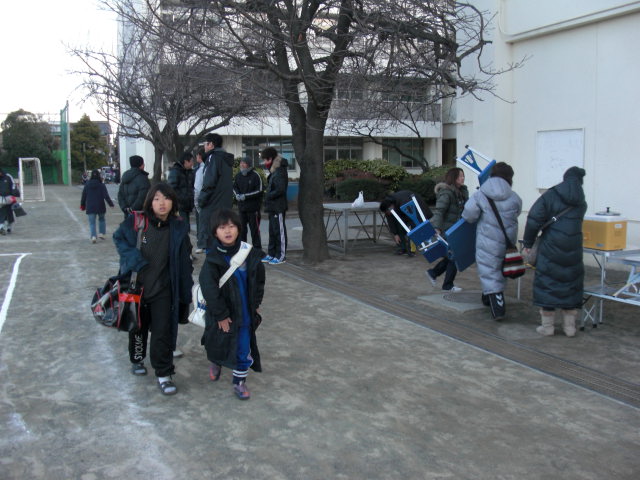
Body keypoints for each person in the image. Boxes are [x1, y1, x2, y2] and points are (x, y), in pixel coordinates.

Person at [113, 183, 193, 396]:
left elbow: (185, 258)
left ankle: (164, 374)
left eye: (166, 198)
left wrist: (186, 288)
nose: (162, 203)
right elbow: (119, 238)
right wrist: (134, 259)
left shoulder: (178, 227)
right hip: (137, 288)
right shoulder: (137, 222)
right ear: (150, 201)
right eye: (157, 198)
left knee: (162, 332)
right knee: (138, 328)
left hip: (163, 289)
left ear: (173, 202)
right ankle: (137, 359)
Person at [199, 209, 265, 400]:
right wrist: (220, 314)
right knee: (217, 343)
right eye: (222, 227)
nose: (227, 231)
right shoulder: (213, 258)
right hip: (221, 314)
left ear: (238, 228)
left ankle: (239, 382)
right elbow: (209, 288)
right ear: (215, 232)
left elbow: (259, 281)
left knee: (243, 348)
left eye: (231, 226)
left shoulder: (249, 253)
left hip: (244, 315)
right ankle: (216, 361)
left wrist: (256, 303)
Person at [522, 167, 587, 337]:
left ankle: (548, 327)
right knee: (570, 283)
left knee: (548, 283)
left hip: (551, 246)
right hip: (573, 247)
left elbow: (534, 219)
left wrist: (528, 242)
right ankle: (570, 328)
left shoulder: (550, 196)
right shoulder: (581, 201)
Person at [461, 162, 522, 321]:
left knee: (489, 269)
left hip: (487, 239)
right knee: (500, 268)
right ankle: (487, 297)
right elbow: (517, 211)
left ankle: (498, 306)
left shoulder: (480, 194)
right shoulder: (514, 196)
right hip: (508, 241)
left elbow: (469, 214)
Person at [426, 168, 469, 291]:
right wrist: (437, 228)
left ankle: (434, 273)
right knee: (454, 256)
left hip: (457, 229)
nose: (463, 178)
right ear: (453, 177)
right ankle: (447, 284)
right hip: (448, 230)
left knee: (452, 256)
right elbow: (439, 211)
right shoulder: (446, 193)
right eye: (460, 176)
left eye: (463, 176)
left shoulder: (462, 192)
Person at [198, 133, 234, 250]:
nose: (204, 147)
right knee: (221, 239)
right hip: (224, 204)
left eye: (205, 144)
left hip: (212, 204)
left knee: (210, 238)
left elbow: (209, 182)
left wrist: (201, 200)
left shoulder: (213, 158)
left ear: (211, 145)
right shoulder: (225, 159)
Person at [379, 190, 433, 257]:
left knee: (414, 230)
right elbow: (391, 220)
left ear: (391, 207)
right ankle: (402, 247)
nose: (388, 213)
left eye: (387, 212)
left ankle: (412, 250)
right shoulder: (388, 206)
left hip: (416, 210)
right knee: (400, 226)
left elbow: (413, 221)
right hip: (404, 212)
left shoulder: (404, 202)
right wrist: (395, 234)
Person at [260, 147, 288, 265]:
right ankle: (271, 254)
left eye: (265, 160)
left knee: (279, 232)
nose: (264, 162)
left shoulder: (280, 171)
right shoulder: (274, 171)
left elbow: (280, 189)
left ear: (271, 159)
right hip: (272, 206)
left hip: (278, 206)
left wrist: (268, 195)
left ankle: (281, 255)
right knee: (272, 231)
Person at [233, 157, 264, 249]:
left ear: (249, 165)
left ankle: (257, 250)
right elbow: (234, 187)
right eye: (241, 163)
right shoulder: (238, 176)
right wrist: (237, 194)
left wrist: (245, 196)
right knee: (242, 231)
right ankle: (243, 250)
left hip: (253, 209)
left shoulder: (255, 176)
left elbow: (259, 191)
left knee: (254, 230)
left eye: (244, 163)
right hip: (242, 208)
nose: (242, 165)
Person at [80, 169, 115, 243]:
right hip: (100, 205)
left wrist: (82, 205)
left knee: (92, 223)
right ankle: (102, 233)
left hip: (90, 206)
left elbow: (84, 196)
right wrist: (111, 204)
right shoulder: (102, 185)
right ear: (99, 175)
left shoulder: (87, 184)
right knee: (102, 219)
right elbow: (106, 196)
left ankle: (93, 236)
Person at [167, 152, 195, 231]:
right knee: (183, 228)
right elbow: (171, 189)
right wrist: (183, 198)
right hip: (179, 206)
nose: (192, 164)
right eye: (191, 161)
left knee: (185, 228)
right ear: (185, 161)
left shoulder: (189, 172)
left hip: (186, 206)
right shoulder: (175, 172)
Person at [117, 155, 150, 219]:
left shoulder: (125, 178)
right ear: (141, 165)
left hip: (127, 213)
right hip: (140, 214)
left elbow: (120, 195)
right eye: (143, 163)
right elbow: (143, 197)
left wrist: (125, 208)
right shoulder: (143, 179)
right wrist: (133, 209)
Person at [193, 147, 207, 253]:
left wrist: (196, 203)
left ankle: (201, 244)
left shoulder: (201, 170)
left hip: (201, 199)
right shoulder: (208, 167)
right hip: (208, 198)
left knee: (201, 223)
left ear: (199, 156)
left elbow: (197, 188)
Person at [0, 168, 19, 235]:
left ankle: (9, 227)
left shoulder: (8, 176)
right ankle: (1, 227)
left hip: (9, 197)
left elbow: (13, 185)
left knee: (9, 212)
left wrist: (14, 192)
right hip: (1, 198)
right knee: (2, 211)